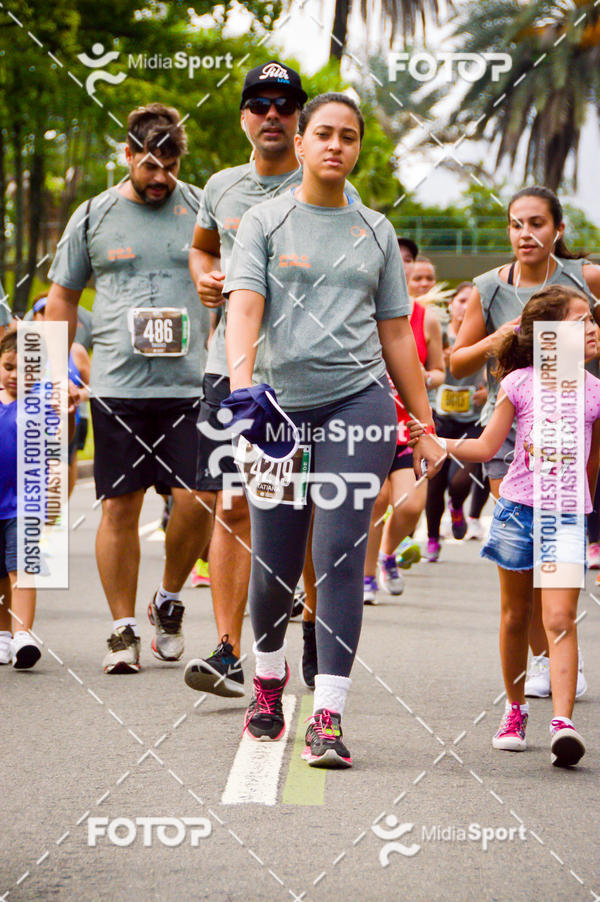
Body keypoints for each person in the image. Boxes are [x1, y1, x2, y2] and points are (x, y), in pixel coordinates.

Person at [223, 92, 442, 767]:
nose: (335, 146)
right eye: (324, 133)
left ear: (357, 148)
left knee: (342, 553)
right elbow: (246, 306)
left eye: (348, 136)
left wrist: (424, 424)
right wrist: (241, 390)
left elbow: (396, 337)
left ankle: (328, 715)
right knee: (275, 563)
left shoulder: (375, 230)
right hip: (279, 412)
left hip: (359, 402)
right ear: (302, 139)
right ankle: (266, 683)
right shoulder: (264, 219)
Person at [45, 103, 213, 673]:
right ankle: (121, 630)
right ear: (127, 156)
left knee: (199, 500)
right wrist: (53, 372)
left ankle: (168, 600)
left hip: (192, 384)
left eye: (169, 163)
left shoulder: (202, 209)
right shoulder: (93, 215)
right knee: (119, 505)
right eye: (149, 164)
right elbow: (63, 296)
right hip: (117, 385)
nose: (161, 176)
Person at [413, 285, 600, 766]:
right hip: (517, 510)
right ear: (549, 336)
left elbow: (593, 462)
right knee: (517, 616)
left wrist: (583, 509)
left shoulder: (595, 392)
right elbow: (485, 445)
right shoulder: (520, 383)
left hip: (566, 517)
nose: (594, 328)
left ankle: (563, 723)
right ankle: (515, 711)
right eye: (582, 321)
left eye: (593, 320)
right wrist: (436, 442)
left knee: (559, 620)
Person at [185, 60, 312, 698]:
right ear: (243, 117)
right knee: (232, 504)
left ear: (299, 121)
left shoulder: (322, 185)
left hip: (302, 375)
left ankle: (314, 626)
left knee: (305, 507)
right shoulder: (221, 186)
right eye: (258, 104)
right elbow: (203, 247)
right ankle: (229, 651)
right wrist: (205, 274)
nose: (271, 115)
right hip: (230, 372)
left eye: (283, 106)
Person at [450, 185, 600, 698]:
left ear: (557, 229)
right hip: (511, 431)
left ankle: (557, 651)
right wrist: (498, 339)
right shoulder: (488, 287)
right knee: (529, 561)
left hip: (576, 426)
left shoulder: (586, 279)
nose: (525, 234)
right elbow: (457, 362)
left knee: (556, 554)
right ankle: (544, 659)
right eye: (516, 224)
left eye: (536, 223)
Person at [362, 257, 444, 601]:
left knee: (410, 504)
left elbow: (440, 369)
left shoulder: (427, 319)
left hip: (410, 425)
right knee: (376, 501)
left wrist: (423, 378)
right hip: (369, 422)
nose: (404, 267)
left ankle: (387, 554)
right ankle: (366, 578)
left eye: (408, 261)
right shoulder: (363, 308)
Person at [424, 282, 487, 562]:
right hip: (441, 418)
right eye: (462, 300)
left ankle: (458, 506)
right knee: (434, 482)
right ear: (452, 305)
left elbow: (498, 369)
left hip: (473, 421)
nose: (466, 306)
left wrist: (487, 391)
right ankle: (432, 539)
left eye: (473, 301)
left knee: (460, 480)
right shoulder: (440, 333)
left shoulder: (486, 334)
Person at [0, 330, 42, 668]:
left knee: (22, 569)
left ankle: (23, 633)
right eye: (9, 367)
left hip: (23, 503)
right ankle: (2, 635)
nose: (16, 376)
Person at [31, 295, 91, 496]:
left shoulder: (76, 351)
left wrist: (76, 396)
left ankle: (55, 518)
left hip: (65, 422)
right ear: (35, 318)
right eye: (43, 313)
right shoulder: (23, 350)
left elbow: (92, 388)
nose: (48, 318)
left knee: (60, 479)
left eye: (52, 312)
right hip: (30, 425)